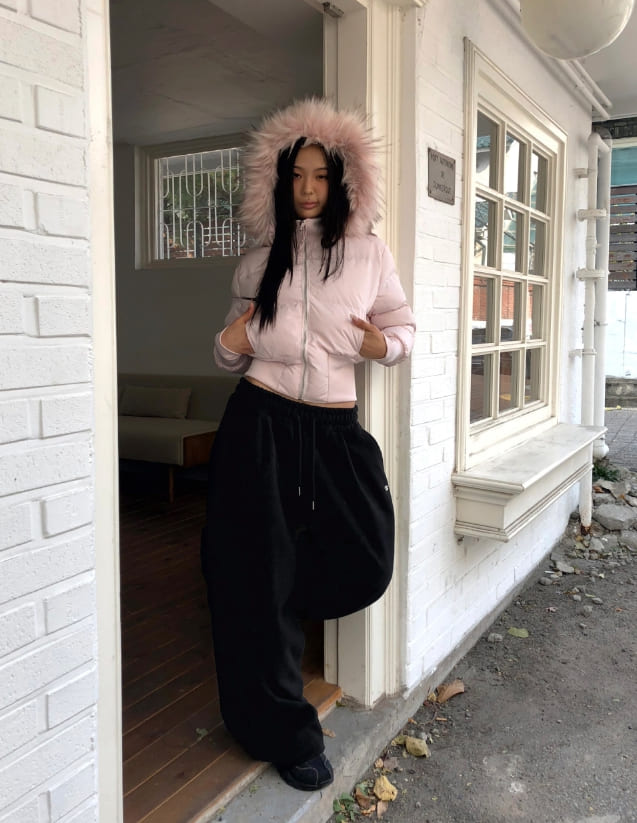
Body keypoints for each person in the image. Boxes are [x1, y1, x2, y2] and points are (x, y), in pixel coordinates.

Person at [200, 98, 415, 792]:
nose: (308, 188)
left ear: (344, 180)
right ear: (278, 180)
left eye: (321, 175)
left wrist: (383, 346)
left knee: (365, 556)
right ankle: (280, 729)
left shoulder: (369, 253)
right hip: (258, 423)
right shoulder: (258, 259)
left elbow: (403, 329)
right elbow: (230, 351)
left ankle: (283, 603)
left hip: (332, 428)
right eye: (296, 176)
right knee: (253, 578)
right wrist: (229, 341)